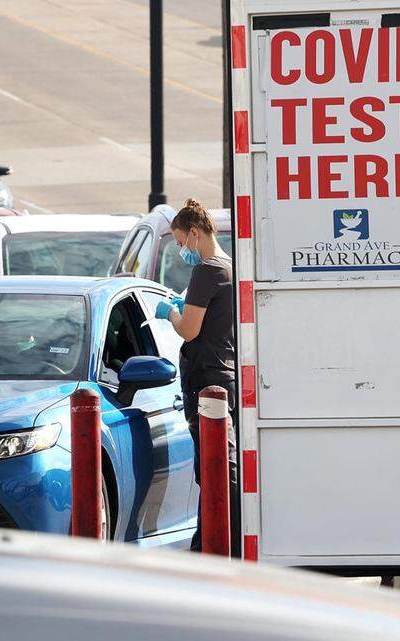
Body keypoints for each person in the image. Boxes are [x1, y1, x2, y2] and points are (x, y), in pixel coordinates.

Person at [153, 198, 239, 555]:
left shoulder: (206, 270)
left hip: (206, 380)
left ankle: (218, 543)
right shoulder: (229, 267)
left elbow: (189, 330)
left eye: (179, 242)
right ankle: (210, 541)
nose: (179, 250)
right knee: (218, 464)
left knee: (216, 467)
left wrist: (171, 313)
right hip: (224, 374)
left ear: (194, 233)